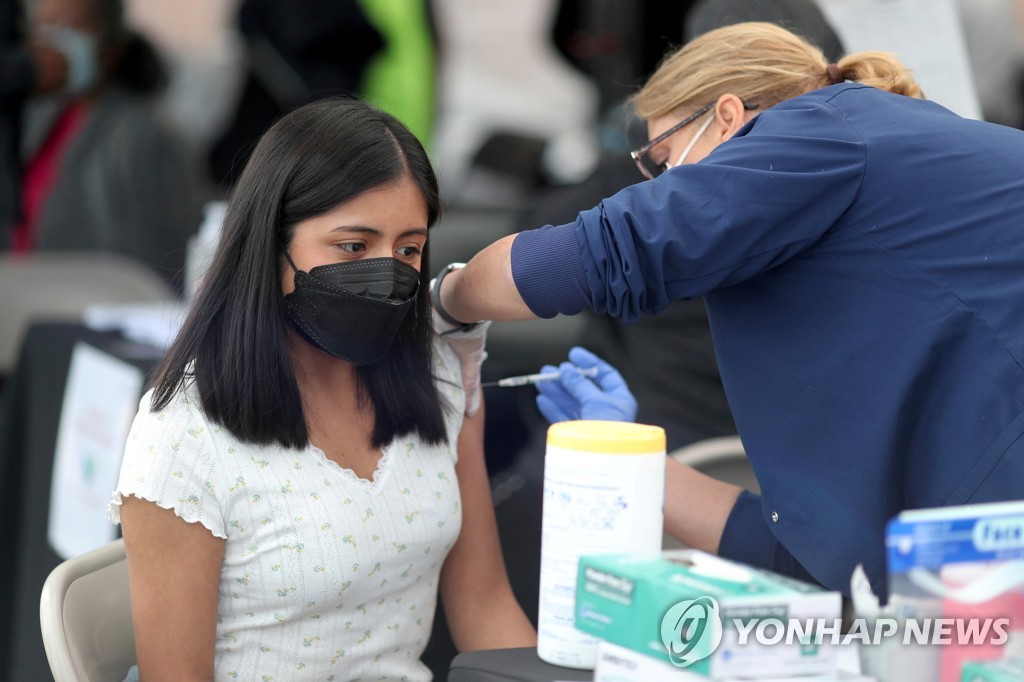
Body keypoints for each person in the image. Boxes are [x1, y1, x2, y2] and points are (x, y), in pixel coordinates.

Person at [431, 22, 1024, 597]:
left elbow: (606, 251)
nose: (660, 184)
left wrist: (442, 302)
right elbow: (821, 558)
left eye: (661, 161)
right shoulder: (853, 266)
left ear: (728, 116)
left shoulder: (820, 128)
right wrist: (635, 461)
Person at [107, 98, 535, 680]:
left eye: (408, 249)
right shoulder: (183, 435)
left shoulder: (438, 382)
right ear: (271, 246)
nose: (387, 273)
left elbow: (485, 607)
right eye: (353, 247)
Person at [10, 0, 206, 287]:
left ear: (110, 46)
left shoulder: (146, 136)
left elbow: (165, 262)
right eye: (42, 28)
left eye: (67, 26)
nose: (51, 40)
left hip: (84, 310)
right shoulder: (35, 120)